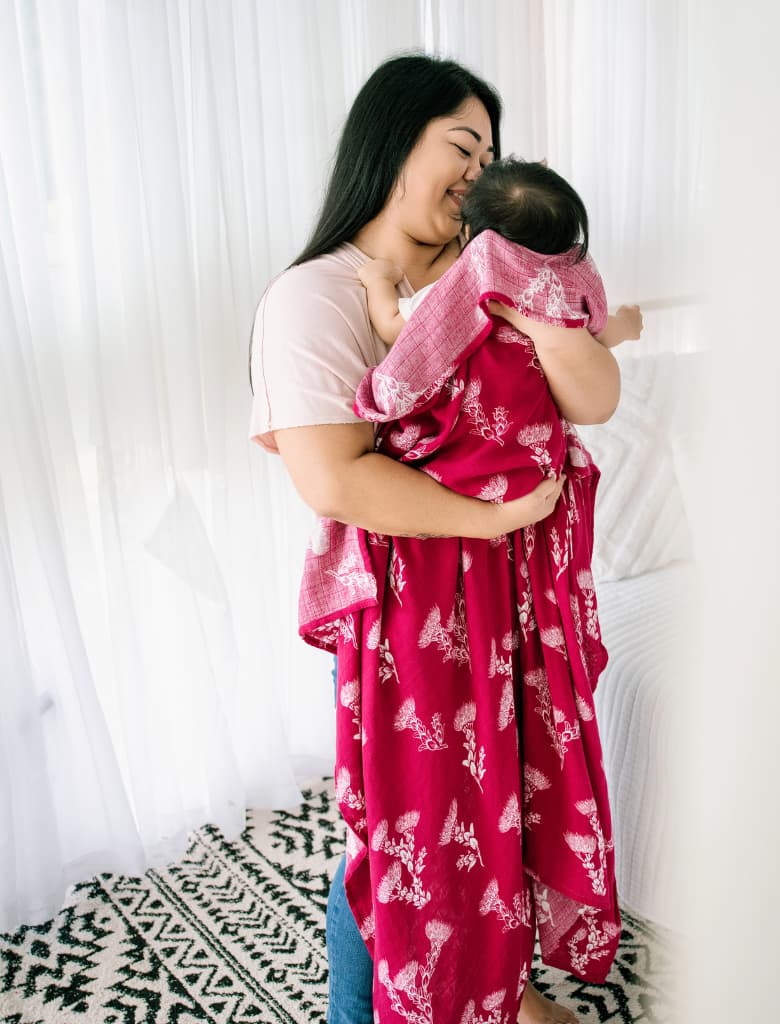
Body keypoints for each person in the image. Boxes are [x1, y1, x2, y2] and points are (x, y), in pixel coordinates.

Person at [249, 54, 629, 1024]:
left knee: (505, 811)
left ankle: (495, 986)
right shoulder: (318, 296)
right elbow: (337, 477)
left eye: (490, 154)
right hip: (410, 610)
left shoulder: (493, 276)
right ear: (389, 145)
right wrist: (497, 517)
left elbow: (578, 386)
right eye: (461, 144)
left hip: (516, 595)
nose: (478, 168)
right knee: (396, 838)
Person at [356, 156, 642, 353]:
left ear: (470, 234)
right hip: (534, 427)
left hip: (472, 430)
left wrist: (378, 281)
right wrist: (628, 324)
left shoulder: (466, 289)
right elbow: (604, 332)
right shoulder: (565, 294)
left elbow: (393, 325)